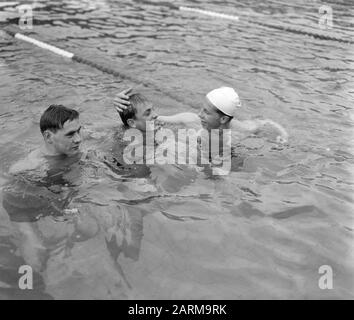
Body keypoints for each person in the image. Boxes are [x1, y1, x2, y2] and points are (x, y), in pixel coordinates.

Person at [114, 87, 289, 144]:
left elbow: (265, 122)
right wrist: (122, 108)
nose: (199, 114)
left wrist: (283, 136)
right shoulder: (189, 119)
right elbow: (145, 122)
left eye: (205, 111)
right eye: (201, 108)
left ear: (223, 119)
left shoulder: (239, 133)